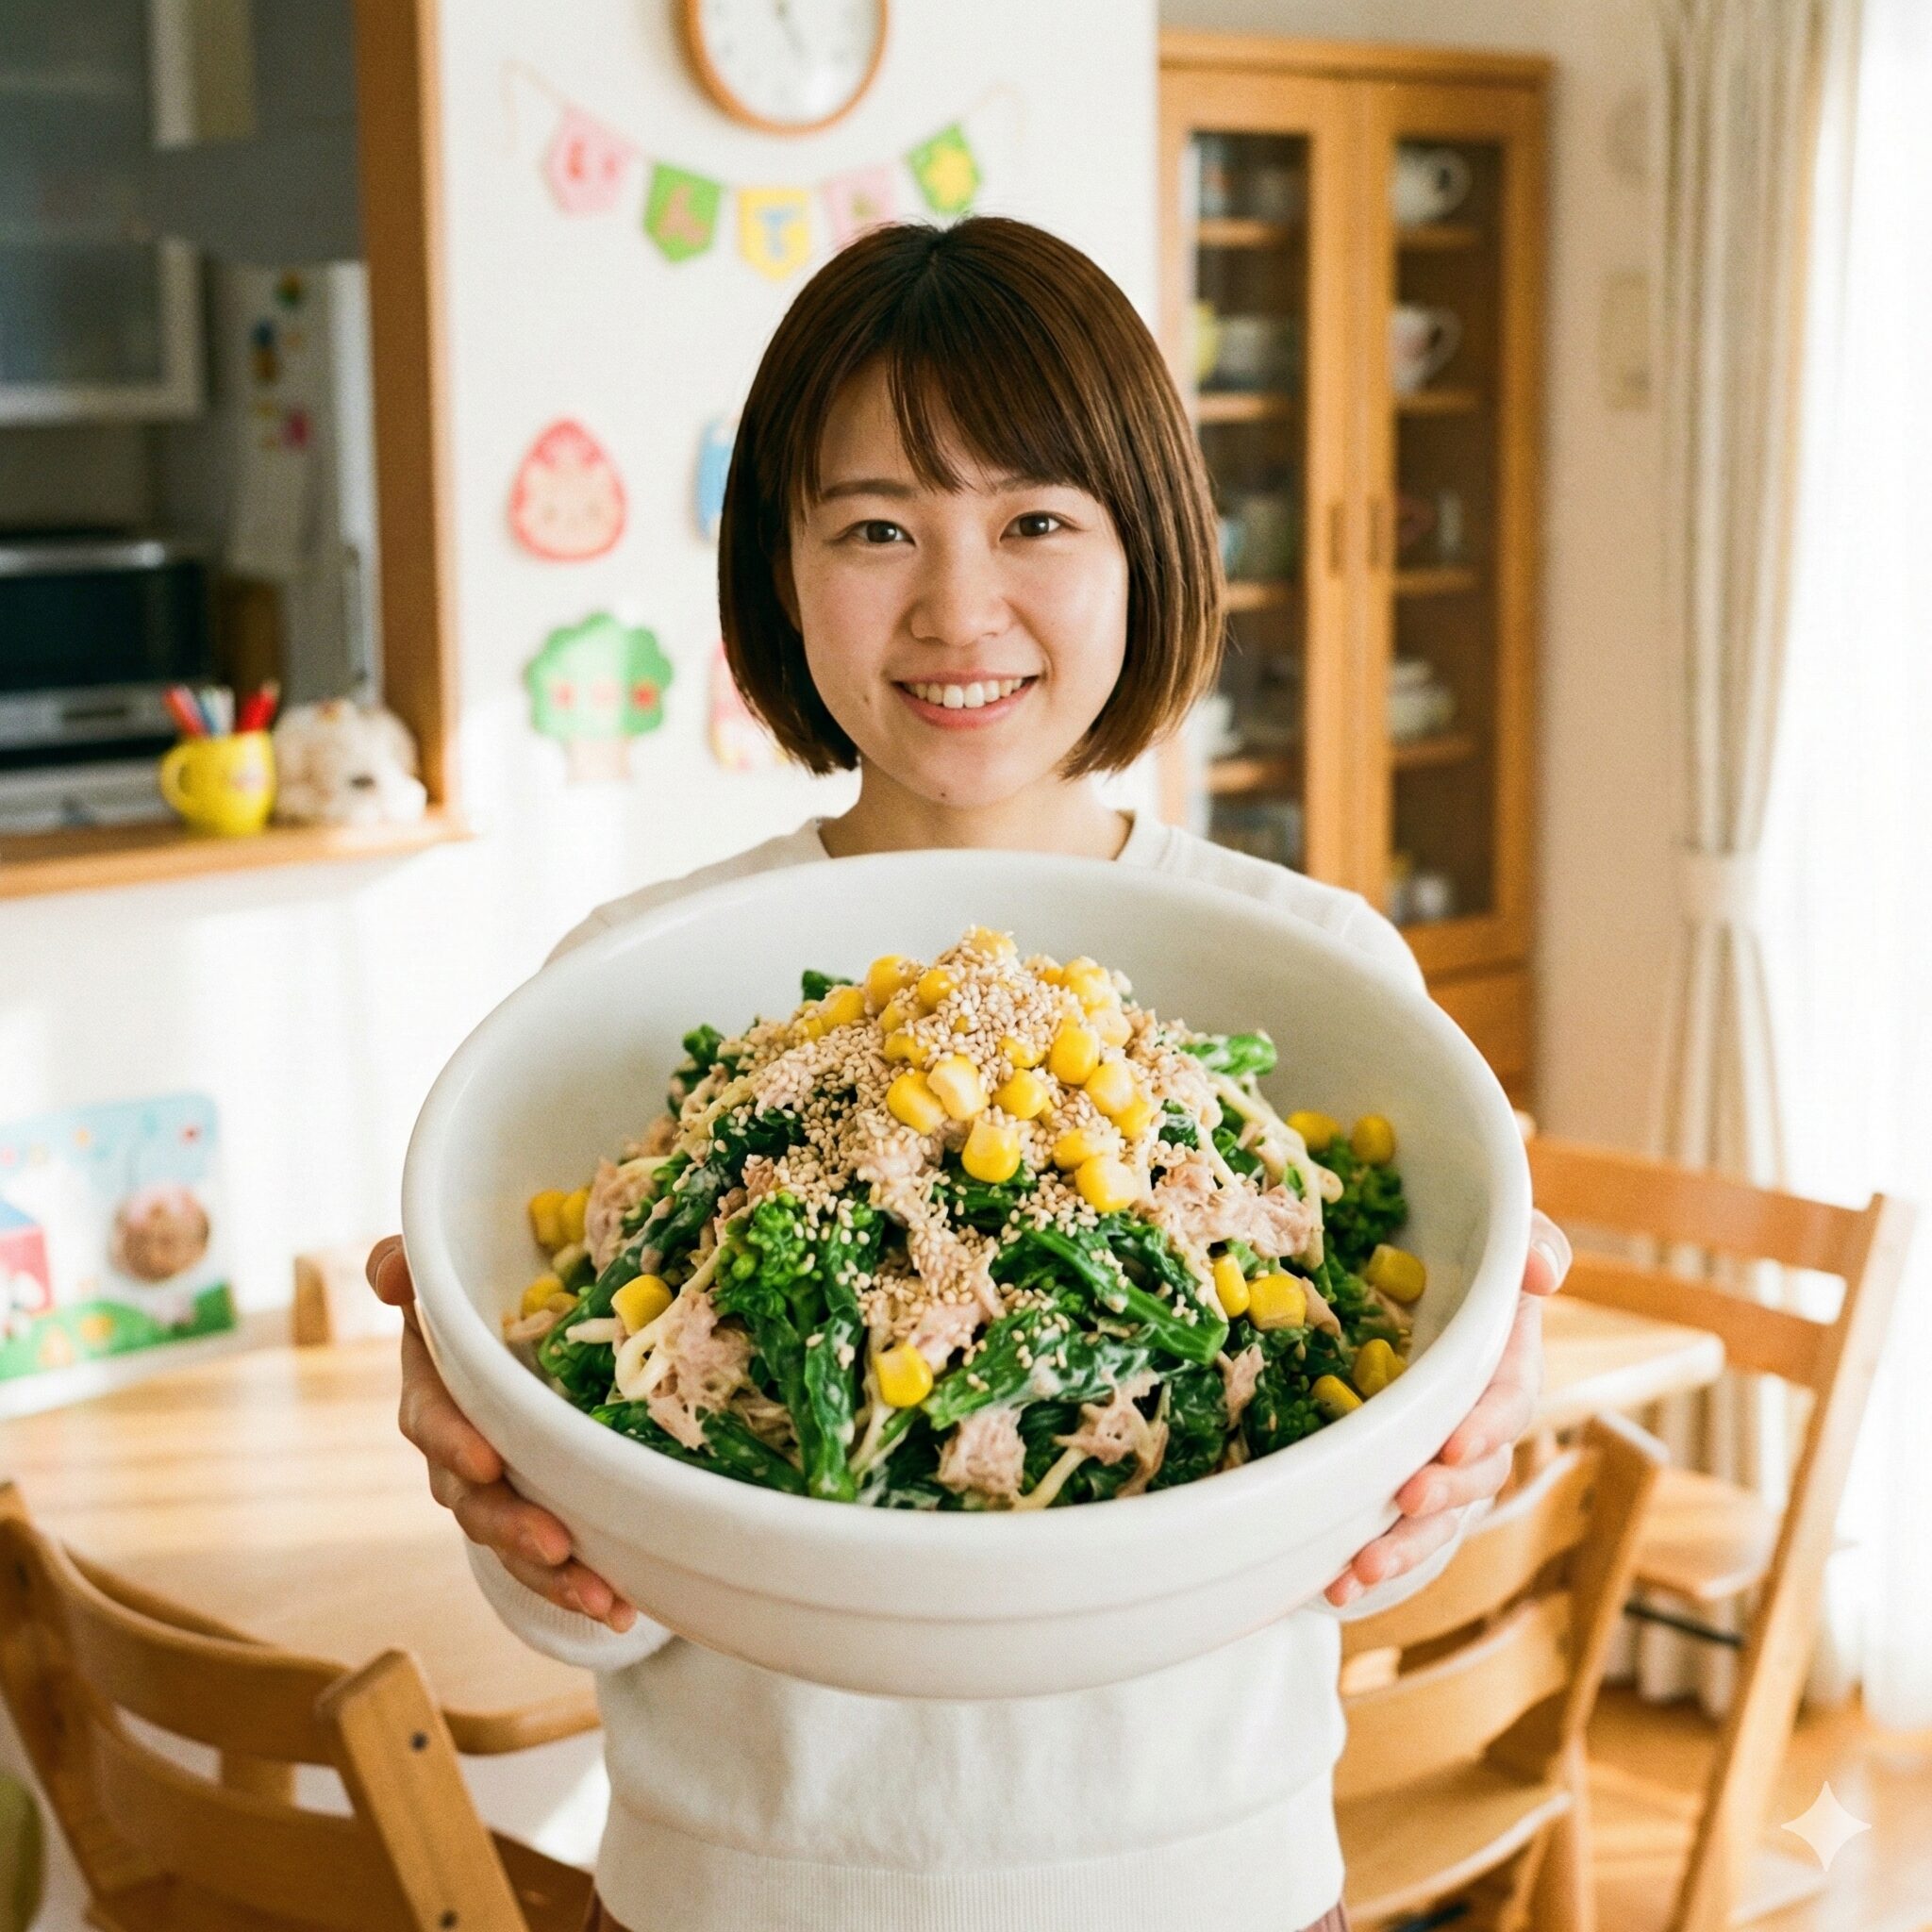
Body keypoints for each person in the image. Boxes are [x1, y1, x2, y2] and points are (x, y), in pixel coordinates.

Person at [367, 214, 1571, 1932]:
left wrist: (1463, 1440)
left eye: (1035, 522)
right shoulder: (628, 984)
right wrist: (501, 1472)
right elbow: (586, 1613)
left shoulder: (1326, 966)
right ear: (778, 567)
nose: (957, 607)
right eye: (876, 527)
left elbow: (1355, 1562)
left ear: (1146, 545)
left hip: (1213, 1894)